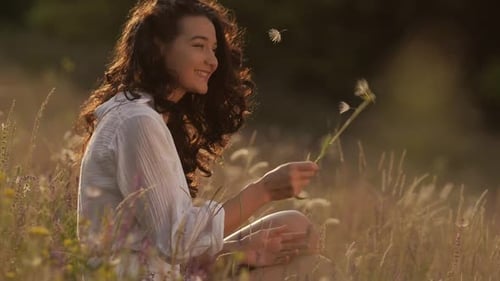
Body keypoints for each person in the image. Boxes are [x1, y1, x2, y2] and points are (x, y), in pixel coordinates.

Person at [76, 0, 333, 280]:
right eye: (198, 46)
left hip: (157, 265)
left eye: (213, 49)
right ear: (160, 47)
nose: (212, 61)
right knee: (316, 270)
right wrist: (265, 190)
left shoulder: (147, 115)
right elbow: (175, 241)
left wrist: (236, 250)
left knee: (296, 227)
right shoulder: (137, 122)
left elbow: (160, 239)